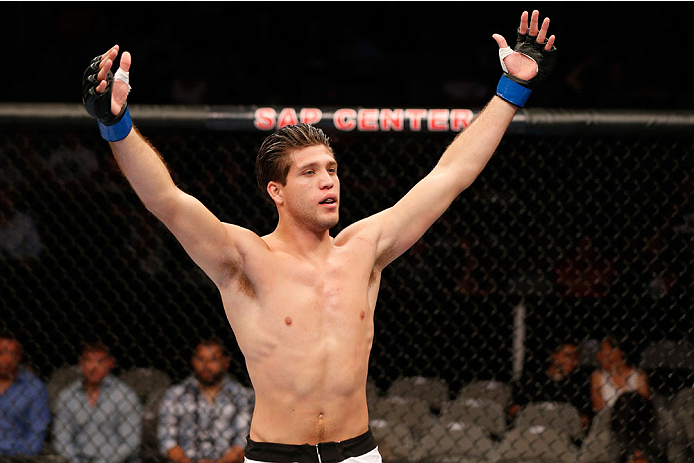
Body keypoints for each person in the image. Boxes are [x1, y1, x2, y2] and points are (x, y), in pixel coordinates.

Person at [81, 10, 557, 463]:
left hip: (358, 451)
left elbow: (451, 174)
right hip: (275, 455)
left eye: (331, 169)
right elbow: (166, 200)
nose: (328, 181)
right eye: (309, 173)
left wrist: (511, 88)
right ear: (278, 192)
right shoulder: (246, 258)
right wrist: (115, 125)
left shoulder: (364, 249)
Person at [158, 338, 253, 463]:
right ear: (193, 361)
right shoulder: (176, 394)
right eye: (201, 359)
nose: (206, 365)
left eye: (213, 359)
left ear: (226, 362)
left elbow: (244, 443)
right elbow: (167, 441)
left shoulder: (242, 396)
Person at [53, 341, 142, 463]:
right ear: (81, 363)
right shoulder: (67, 396)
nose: (94, 366)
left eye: (100, 361)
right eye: (89, 361)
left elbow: (131, 442)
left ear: (110, 363)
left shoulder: (125, 395)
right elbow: (62, 439)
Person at [509, 342, 592, 430]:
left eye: (575, 356)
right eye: (567, 356)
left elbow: (585, 418)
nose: (572, 361)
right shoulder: (532, 380)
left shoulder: (579, 383)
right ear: (554, 356)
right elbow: (514, 410)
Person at [0, 331, 51, 456]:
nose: (5, 359)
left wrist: (18, 456)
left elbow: (37, 432)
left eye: (11, 354)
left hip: (17, 456)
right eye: (0, 353)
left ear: (19, 357)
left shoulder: (33, 386)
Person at [591, 336, 649, 413]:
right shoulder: (597, 376)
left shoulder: (638, 376)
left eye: (602, 349)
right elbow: (599, 409)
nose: (598, 355)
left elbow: (643, 407)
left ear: (617, 351)